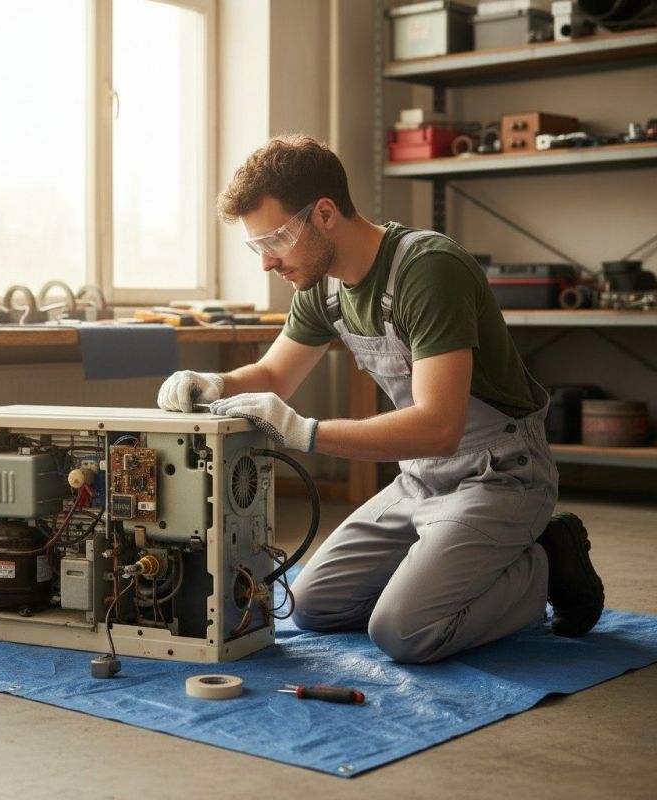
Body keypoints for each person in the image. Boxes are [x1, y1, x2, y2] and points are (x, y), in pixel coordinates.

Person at [157, 134, 604, 664]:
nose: (267, 263)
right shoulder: (321, 287)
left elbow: (440, 427)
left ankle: (547, 559)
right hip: (421, 477)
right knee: (313, 606)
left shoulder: (428, 269)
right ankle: (447, 564)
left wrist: (304, 433)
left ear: (325, 214)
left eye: (275, 239)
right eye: (258, 246)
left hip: (499, 474)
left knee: (403, 631)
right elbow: (273, 375)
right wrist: (214, 383)